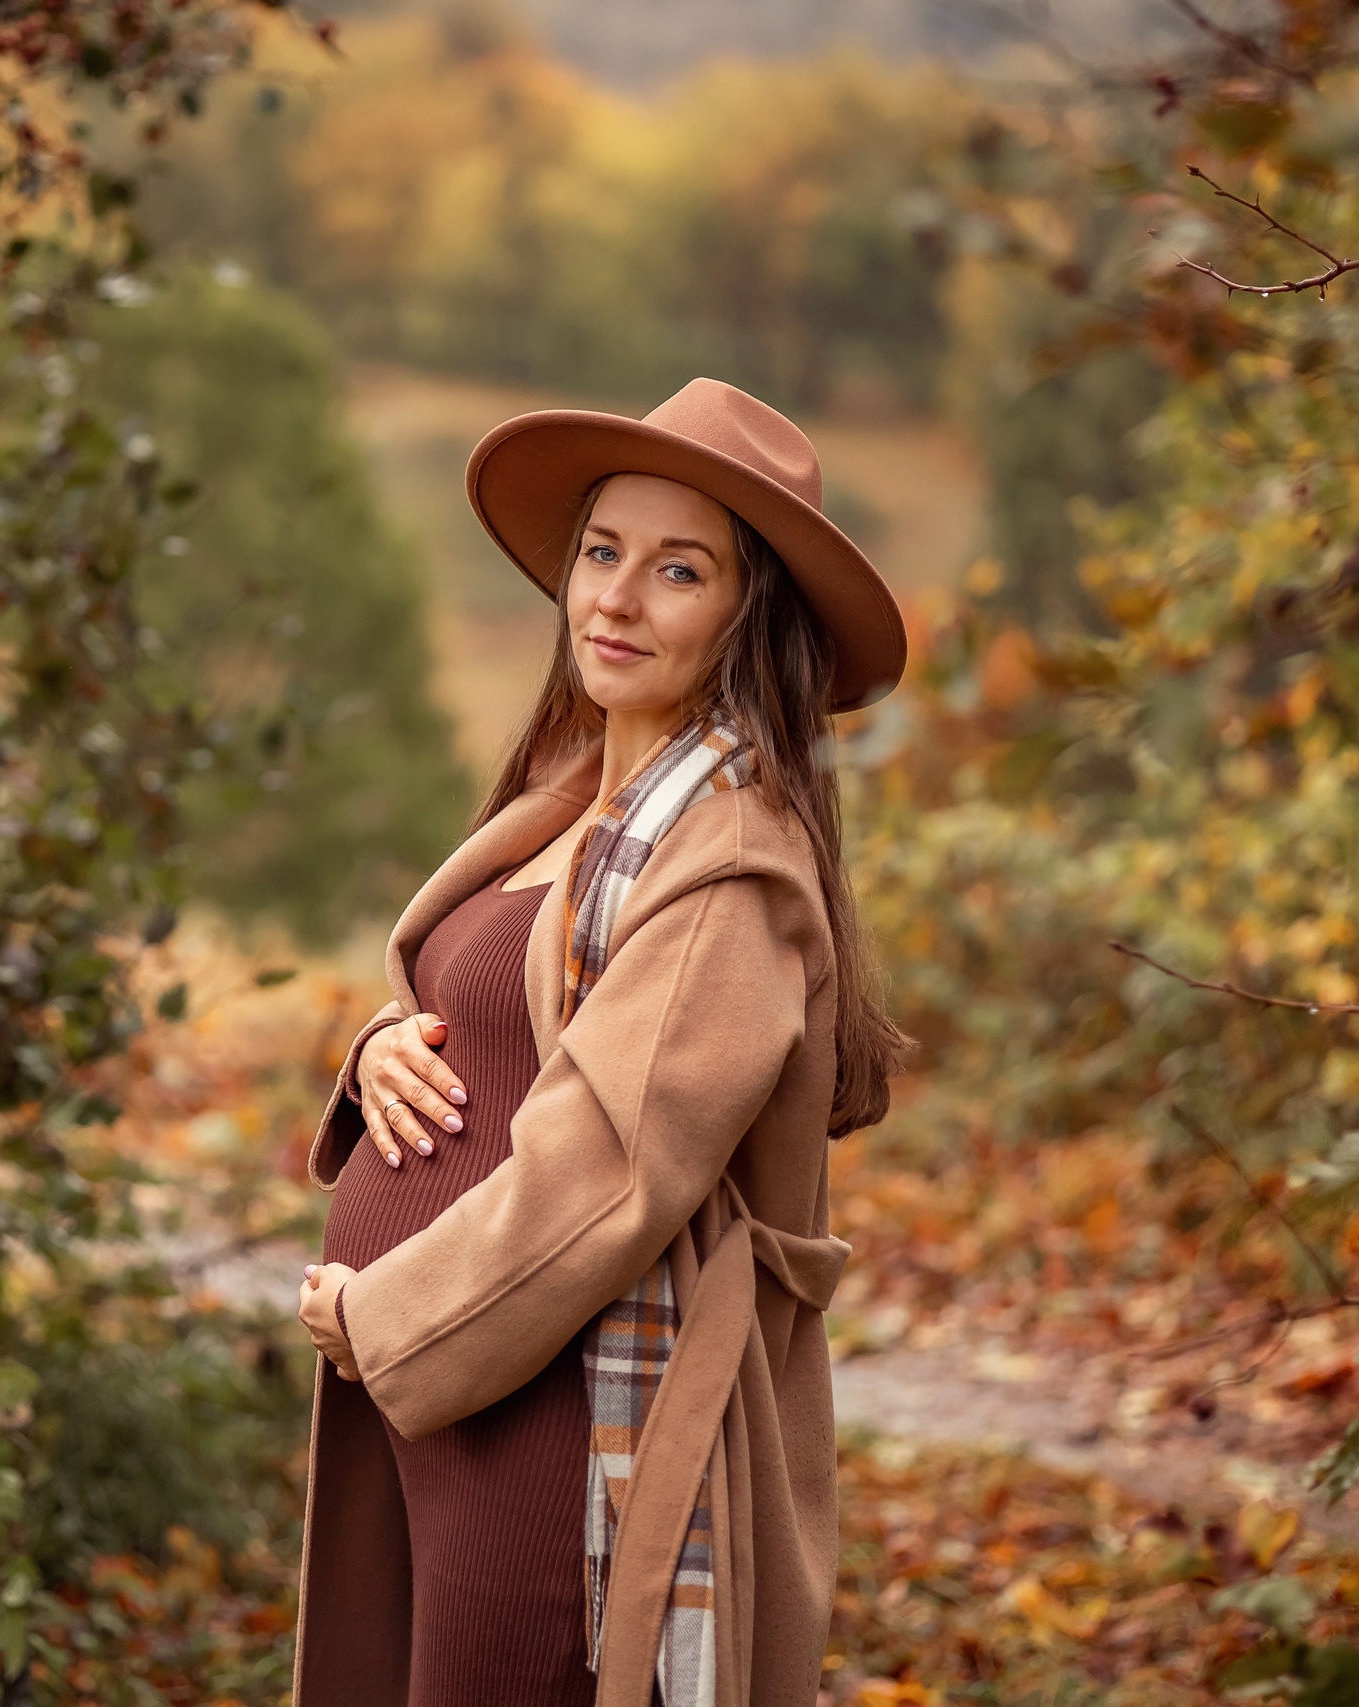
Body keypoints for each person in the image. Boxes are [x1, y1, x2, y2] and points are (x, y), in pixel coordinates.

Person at [289, 379, 909, 1707]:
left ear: (751, 616)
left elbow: (614, 1170)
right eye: (601, 553)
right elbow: (505, 1032)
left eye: (677, 571)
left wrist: (382, 1314)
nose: (615, 600)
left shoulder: (730, 862)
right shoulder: (573, 804)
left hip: (560, 1430)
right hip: (468, 1396)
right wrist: (380, 1053)